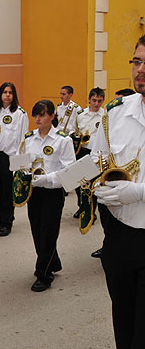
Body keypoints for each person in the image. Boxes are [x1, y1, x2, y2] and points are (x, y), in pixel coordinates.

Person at [92, 35, 145, 349]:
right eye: (137, 61)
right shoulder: (115, 112)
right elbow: (99, 158)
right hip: (121, 237)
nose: (140, 70)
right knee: (124, 329)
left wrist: (137, 192)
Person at [21, 100, 75, 292]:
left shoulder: (63, 140)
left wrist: (45, 179)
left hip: (53, 192)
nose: (37, 119)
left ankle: (43, 274)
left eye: (42, 115)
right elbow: (21, 162)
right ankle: (53, 261)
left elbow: (70, 171)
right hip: (33, 192)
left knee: (48, 232)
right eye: (35, 115)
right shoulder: (29, 138)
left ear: (52, 116)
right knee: (37, 230)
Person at [0, 83, 28, 236]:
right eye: (4, 92)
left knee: (7, 192)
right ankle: (1, 217)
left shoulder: (20, 114)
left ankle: (7, 222)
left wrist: (21, 163)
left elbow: (23, 139)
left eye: (10, 92)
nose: (7, 95)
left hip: (10, 157)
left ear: (14, 95)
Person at [72, 87, 105, 220]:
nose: (96, 104)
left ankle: (91, 211)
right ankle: (82, 206)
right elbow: (74, 130)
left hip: (96, 153)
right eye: (94, 100)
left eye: (99, 101)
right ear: (89, 100)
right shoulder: (80, 115)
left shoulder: (105, 116)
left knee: (92, 184)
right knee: (79, 182)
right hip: (82, 151)